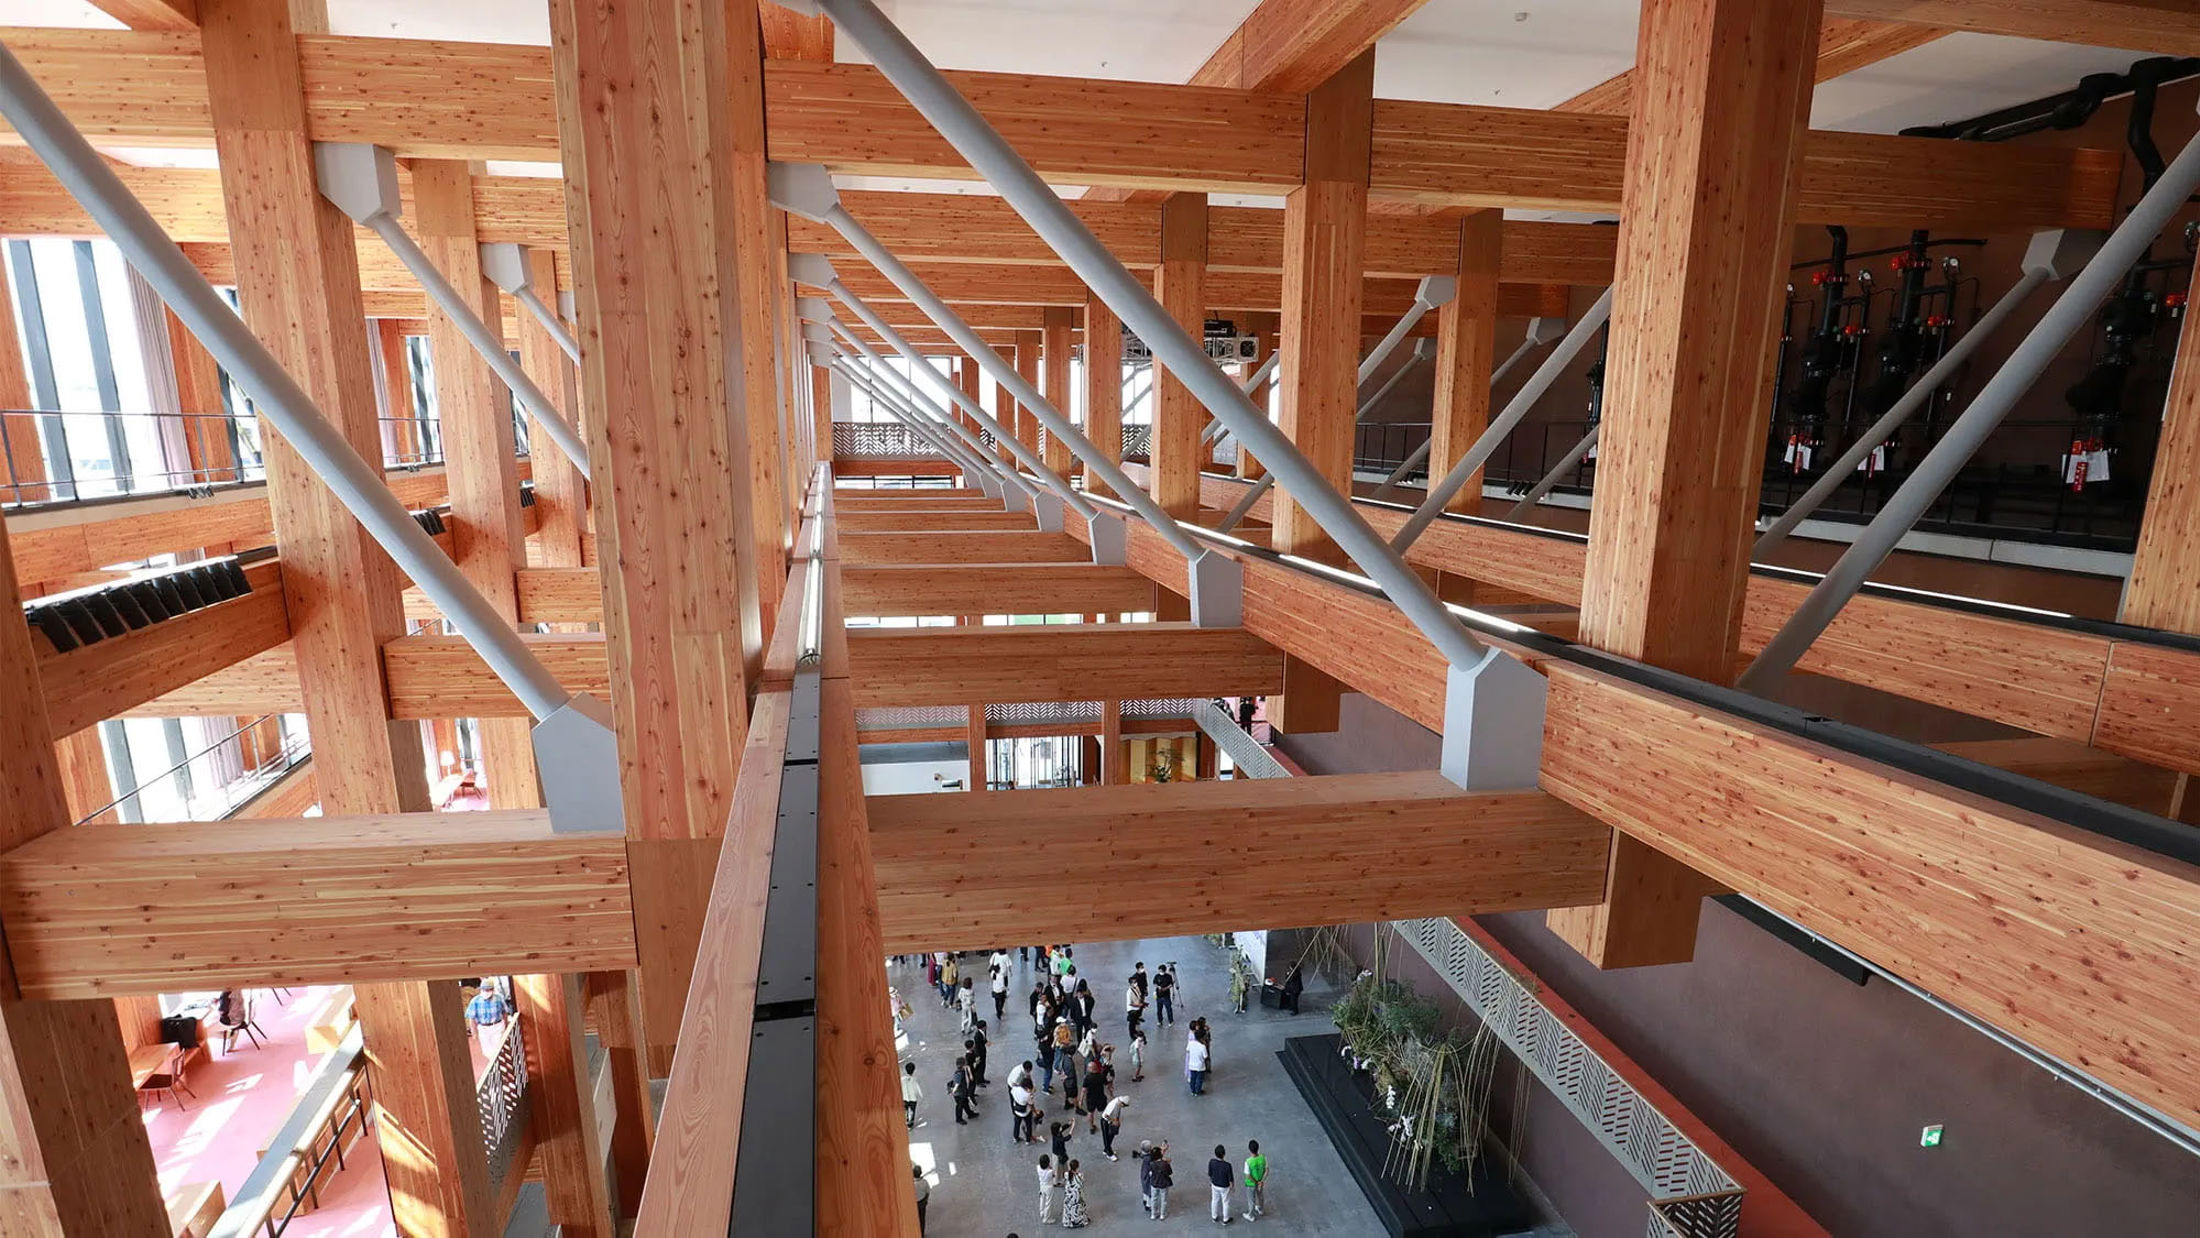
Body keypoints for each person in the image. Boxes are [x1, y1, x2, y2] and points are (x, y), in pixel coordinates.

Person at [464, 981, 511, 1048]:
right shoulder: (475, 1001)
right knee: (487, 1050)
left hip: (497, 1026)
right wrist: (474, 1032)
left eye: (488, 989)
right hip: (483, 1028)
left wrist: (506, 1026)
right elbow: (472, 1018)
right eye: (484, 989)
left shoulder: (499, 998)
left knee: (499, 1047)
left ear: (492, 989)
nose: (486, 991)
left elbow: (505, 1013)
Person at [1207, 1144, 1235, 1224]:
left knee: (1214, 1200)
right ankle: (1225, 1219)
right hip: (1224, 1186)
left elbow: (1210, 1174)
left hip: (1214, 1184)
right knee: (1225, 1202)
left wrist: (1211, 1182)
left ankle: (1214, 1216)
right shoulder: (1227, 1165)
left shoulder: (1212, 1162)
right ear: (1224, 1154)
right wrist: (1232, 1187)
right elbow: (1230, 1179)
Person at [1097, 1093, 1129, 1160]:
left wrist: (1117, 1120)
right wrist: (1113, 1121)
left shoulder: (1119, 1102)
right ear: (1121, 1102)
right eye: (1124, 1105)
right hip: (1105, 1121)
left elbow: (1117, 1114)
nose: (1123, 1107)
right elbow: (1106, 1116)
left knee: (1111, 1136)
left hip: (1111, 1121)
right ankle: (1109, 1153)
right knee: (1107, 1138)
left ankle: (1107, 1149)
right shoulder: (1114, 1105)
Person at [1060, 1158, 1090, 1228]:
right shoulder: (1079, 1176)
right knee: (1078, 1208)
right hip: (1076, 1196)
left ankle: (1068, 1221)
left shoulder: (1066, 1174)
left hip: (1069, 1195)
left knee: (1069, 1207)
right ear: (1077, 1166)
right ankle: (1079, 1221)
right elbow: (1081, 1183)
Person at [1242, 1140, 1268, 1219]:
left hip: (1251, 1184)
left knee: (1251, 1199)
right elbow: (1267, 1170)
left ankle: (1250, 1215)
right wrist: (1261, 1181)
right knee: (1260, 1196)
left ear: (1249, 1149)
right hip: (1260, 1182)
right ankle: (1260, 1209)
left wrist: (1256, 1182)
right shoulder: (1263, 1158)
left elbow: (1248, 1175)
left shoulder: (1248, 1161)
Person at [1009, 1073, 1038, 1144]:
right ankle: (1028, 1140)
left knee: (1017, 1124)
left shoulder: (1015, 1089)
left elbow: (1012, 1091)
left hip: (1017, 1110)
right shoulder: (1027, 1095)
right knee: (1028, 1125)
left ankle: (1015, 1137)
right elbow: (1031, 1104)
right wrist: (1035, 1112)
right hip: (1026, 1112)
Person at [1149, 1142, 1174, 1221]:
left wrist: (1163, 1150)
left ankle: (1153, 1214)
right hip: (1163, 1183)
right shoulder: (1165, 1164)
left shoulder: (1151, 1163)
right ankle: (1162, 1215)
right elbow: (1170, 1172)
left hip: (1154, 1182)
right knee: (1164, 1199)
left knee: (1154, 1198)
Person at [950, 1055, 976, 1125]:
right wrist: (953, 1091)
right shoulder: (959, 1073)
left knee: (965, 1103)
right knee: (959, 1106)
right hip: (959, 1093)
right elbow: (957, 1083)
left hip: (963, 1092)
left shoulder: (963, 1070)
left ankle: (970, 1113)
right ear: (963, 1064)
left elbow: (968, 1068)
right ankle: (959, 1119)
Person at [1185, 1025, 1210, 1095]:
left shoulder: (1190, 1043)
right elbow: (1205, 1056)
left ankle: (1192, 1090)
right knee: (1199, 1079)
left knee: (1193, 1078)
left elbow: (1187, 1050)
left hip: (1191, 1065)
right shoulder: (1202, 1047)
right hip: (1200, 1066)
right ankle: (1198, 1091)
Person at [1036, 1154, 1060, 1225]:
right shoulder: (1050, 1171)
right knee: (1048, 1202)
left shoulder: (1038, 1167)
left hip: (1042, 1185)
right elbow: (1054, 1175)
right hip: (1049, 1187)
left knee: (1042, 1199)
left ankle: (1042, 1211)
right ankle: (1047, 1218)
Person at [900, 1060, 923, 1129]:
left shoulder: (902, 1079)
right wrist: (921, 1095)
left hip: (904, 1097)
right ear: (913, 1070)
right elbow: (917, 1088)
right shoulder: (914, 1079)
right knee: (912, 1110)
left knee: (905, 1109)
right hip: (913, 1098)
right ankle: (910, 1123)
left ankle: (906, 1120)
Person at [1125, 971, 1148, 1039]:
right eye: (1134, 982)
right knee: (1131, 1024)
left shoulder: (1136, 988)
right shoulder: (1129, 992)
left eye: (1136, 982)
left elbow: (1138, 997)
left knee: (1135, 1022)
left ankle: (1134, 1031)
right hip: (1132, 1010)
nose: (1136, 983)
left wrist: (1143, 1003)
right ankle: (1132, 1035)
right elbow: (1130, 1003)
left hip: (1137, 1009)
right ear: (1131, 984)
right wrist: (1139, 1005)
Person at [991, 950, 1011, 1018]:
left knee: (996, 1002)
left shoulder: (993, 974)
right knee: (1002, 1000)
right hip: (1000, 991)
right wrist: (1007, 989)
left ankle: (998, 1011)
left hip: (995, 990)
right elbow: (1003, 985)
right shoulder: (1001, 975)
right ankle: (1000, 1011)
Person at [971, 1020, 991, 1088]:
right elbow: (977, 1046)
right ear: (983, 1027)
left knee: (983, 1066)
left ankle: (982, 1078)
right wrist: (978, 1055)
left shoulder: (983, 1032)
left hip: (983, 1052)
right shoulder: (977, 1035)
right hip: (979, 1053)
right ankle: (978, 1081)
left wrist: (986, 1042)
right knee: (979, 1067)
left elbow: (984, 1039)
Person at [1137, 1140, 1156, 1215]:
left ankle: (1145, 1200)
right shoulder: (1149, 1158)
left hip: (1143, 1175)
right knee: (1149, 1191)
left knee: (1145, 1189)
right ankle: (1149, 1205)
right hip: (1148, 1176)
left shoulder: (1144, 1156)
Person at [912, 1163, 929, 1234]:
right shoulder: (924, 1182)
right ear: (921, 1173)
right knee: (922, 1219)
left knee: (914, 1219)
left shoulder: (911, 1184)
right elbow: (927, 1192)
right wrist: (926, 1200)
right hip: (922, 1202)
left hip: (913, 1204)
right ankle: (921, 1233)